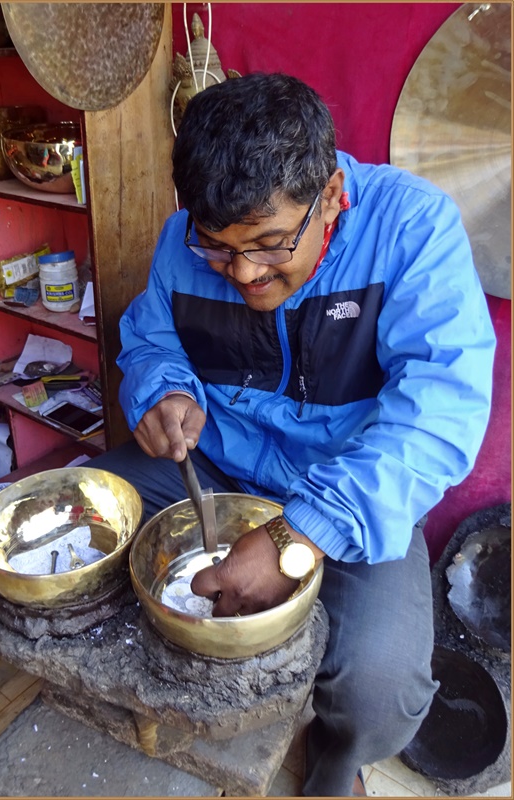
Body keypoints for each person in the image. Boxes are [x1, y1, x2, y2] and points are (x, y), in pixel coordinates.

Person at [88, 72, 496, 796]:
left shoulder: (411, 230)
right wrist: (162, 390)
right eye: (217, 247)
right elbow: (152, 341)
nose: (243, 272)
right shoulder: (184, 240)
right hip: (217, 468)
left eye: (273, 245)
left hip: (350, 490)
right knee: (90, 519)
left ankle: (331, 765)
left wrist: (297, 535)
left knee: (379, 693)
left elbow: (440, 413)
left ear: (333, 192)